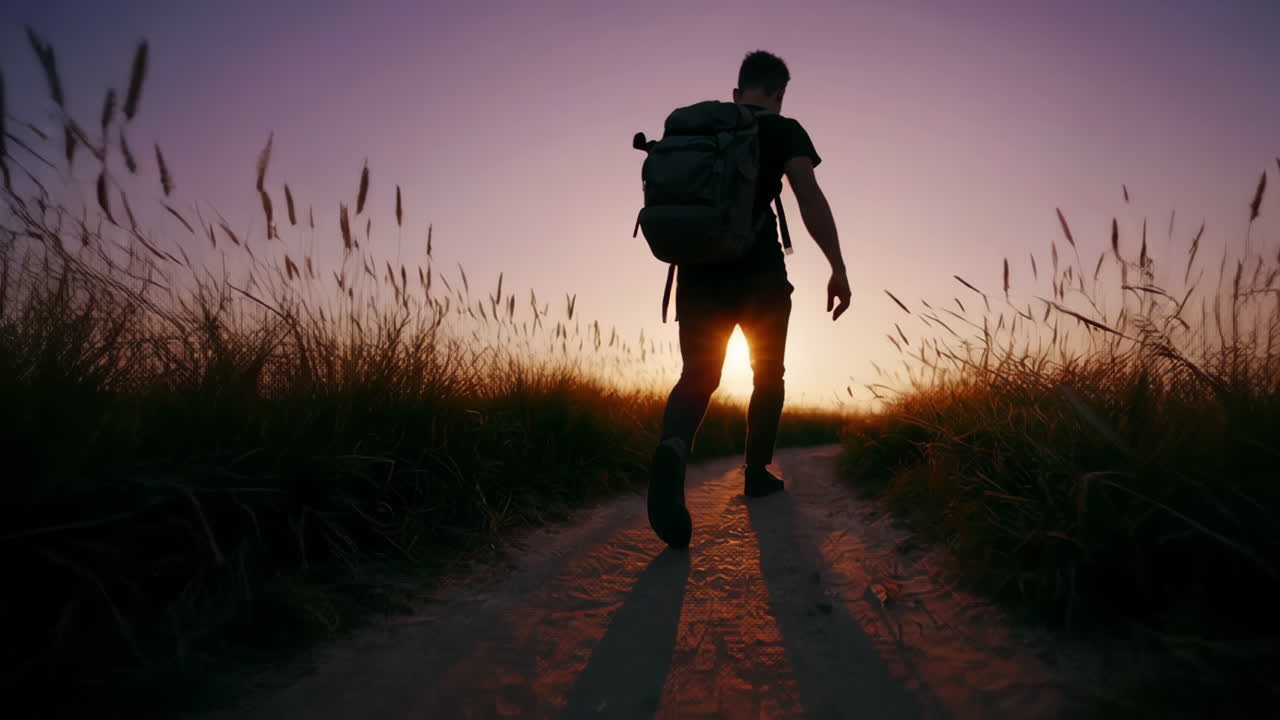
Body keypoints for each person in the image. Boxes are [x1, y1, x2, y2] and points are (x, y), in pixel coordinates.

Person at [648, 50, 851, 549]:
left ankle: (673, 451)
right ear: (779, 94)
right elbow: (808, 197)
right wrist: (838, 267)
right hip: (760, 276)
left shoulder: (705, 129)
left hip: (697, 272)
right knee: (767, 373)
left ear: (738, 92)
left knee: (698, 376)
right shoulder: (783, 130)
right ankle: (757, 473)